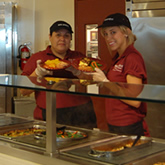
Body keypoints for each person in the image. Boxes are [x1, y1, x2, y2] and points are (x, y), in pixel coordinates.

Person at [20, 20, 97, 129]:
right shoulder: (38, 58)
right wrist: (37, 73)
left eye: (66, 35)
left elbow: (92, 80)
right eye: (58, 35)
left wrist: (78, 72)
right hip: (50, 112)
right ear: (50, 37)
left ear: (70, 39)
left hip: (82, 112)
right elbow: (23, 91)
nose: (62, 39)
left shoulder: (79, 57)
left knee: (85, 144)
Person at [88, 13, 150, 136]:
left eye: (113, 32)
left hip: (129, 126)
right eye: (105, 34)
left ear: (126, 32)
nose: (108, 37)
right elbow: (118, 85)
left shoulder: (132, 58)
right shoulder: (118, 58)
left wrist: (106, 82)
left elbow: (134, 100)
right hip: (115, 125)